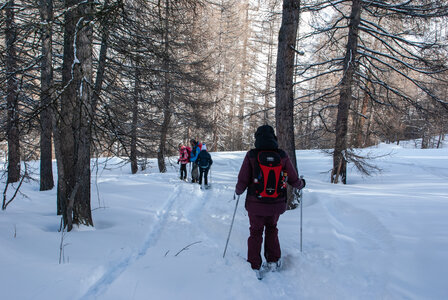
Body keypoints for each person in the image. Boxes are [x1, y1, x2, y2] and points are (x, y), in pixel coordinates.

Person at [235, 125, 306, 278]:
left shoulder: (251, 155)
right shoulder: (282, 155)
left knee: (255, 232)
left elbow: (243, 179)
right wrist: (301, 184)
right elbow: (293, 179)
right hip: (276, 203)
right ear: (273, 137)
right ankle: (273, 261)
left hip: (255, 203)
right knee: (272, 228)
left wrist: (238, 191)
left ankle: (254, 266)